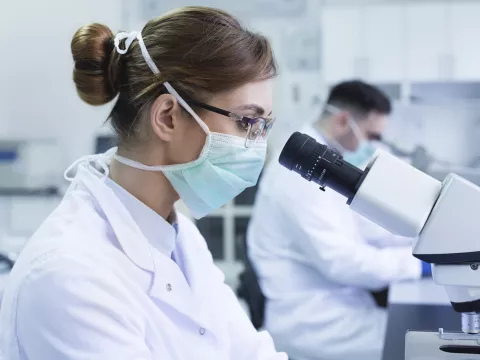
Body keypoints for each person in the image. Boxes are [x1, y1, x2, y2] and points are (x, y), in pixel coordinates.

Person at [0, 7, 287, 360]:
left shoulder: (179, 236)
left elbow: (250, 351)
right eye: (246, 122)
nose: (257, 145)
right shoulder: (70, 274)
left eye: (263, 126)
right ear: (167, 117)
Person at [247, 80, 431, 360]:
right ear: (344, 120)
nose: (373, 146)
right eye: (372, 135)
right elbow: (341, 261)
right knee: (423, 343)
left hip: (340, 307)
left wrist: (427, 240)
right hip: (316, 323)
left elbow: (365, 229)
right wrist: (418, 266)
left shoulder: (326, 163)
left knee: (422, 334)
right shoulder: (299, 175)